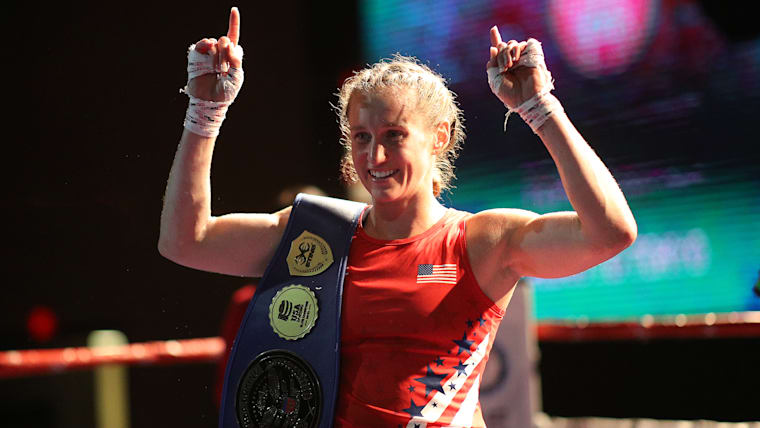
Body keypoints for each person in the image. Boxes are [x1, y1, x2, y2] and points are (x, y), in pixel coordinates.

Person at [158, 7, 637, 428]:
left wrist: (540, 108)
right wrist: (205, 112)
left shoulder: (482, 240)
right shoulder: (317, 233)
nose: (376, 154)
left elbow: (610, 233)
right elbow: (185, 241)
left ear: (440, 137)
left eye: (394, 134)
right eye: (361, 136)